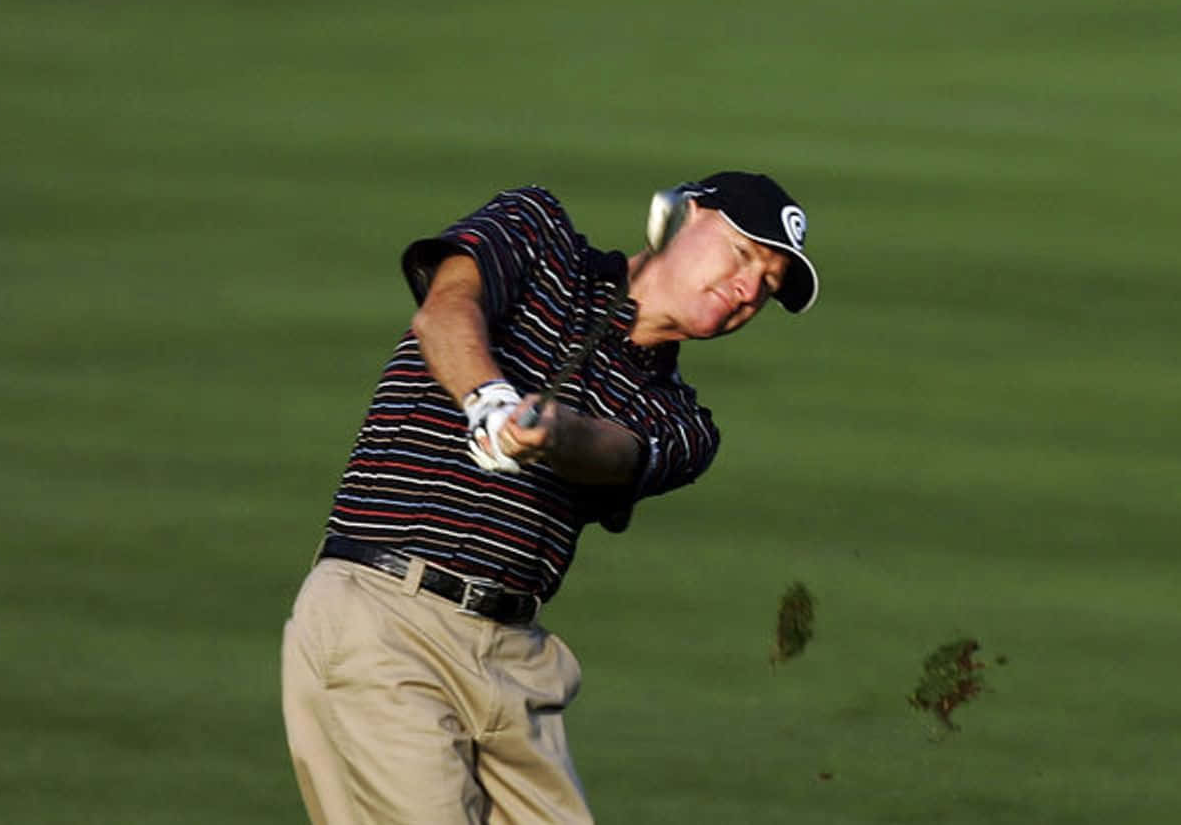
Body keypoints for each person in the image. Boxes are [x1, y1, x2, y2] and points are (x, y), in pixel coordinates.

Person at [281, 171, 820, 825]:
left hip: (513, 663)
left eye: (765, 287)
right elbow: (445, 310)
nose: (746, 290)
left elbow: (613, 452)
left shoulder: (685, 425)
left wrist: (552, 434)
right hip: (385, 617)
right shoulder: (540, 236)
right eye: (742, 256)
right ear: (680, 215)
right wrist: (488, 399)